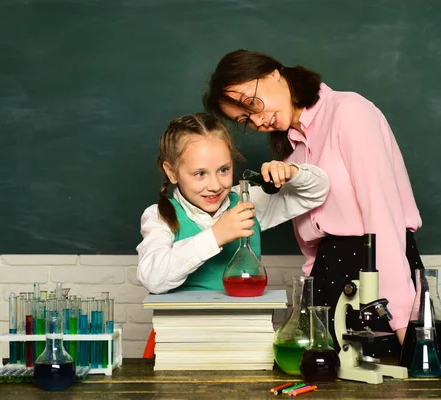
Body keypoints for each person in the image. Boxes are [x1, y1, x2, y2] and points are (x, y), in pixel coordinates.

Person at [203, 49, 425, 358]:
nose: (256, 121)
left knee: (397, 379)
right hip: (327, 273)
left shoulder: (349, 112)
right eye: (244, 119)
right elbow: (311, 240)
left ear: (273, 73)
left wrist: (402, 321)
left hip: (378, 265)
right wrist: (308, 298)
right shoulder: (290, 151)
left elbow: (383, 217)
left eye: (251, 103)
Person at [136, 113, 329, 357]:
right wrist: (215, 236)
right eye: (200, 174)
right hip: (178, 344)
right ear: (172, 172)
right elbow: (152, 278)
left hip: (243, 339)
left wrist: (292, 172)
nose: (215, 185)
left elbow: (318, 191)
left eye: (224, 170)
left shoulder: (247, 201)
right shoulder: (159, 217)